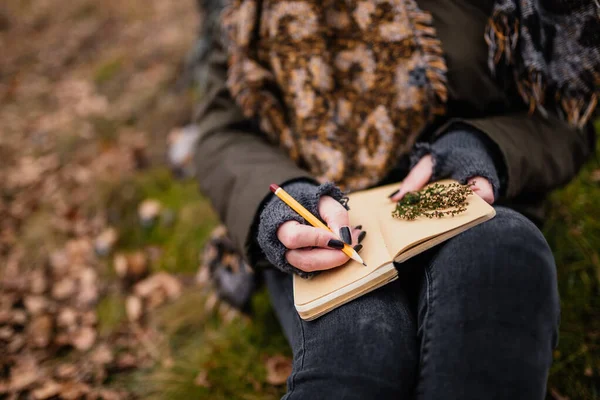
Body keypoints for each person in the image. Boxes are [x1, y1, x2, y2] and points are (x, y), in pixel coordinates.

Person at [190, 0, 598, 398]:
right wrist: (285, 198)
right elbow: (224, 130)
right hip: (321, 220)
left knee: (500, 262)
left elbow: (566, 109)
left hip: (459, 189)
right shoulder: (235, 11)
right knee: (355, 349)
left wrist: (485, 146)